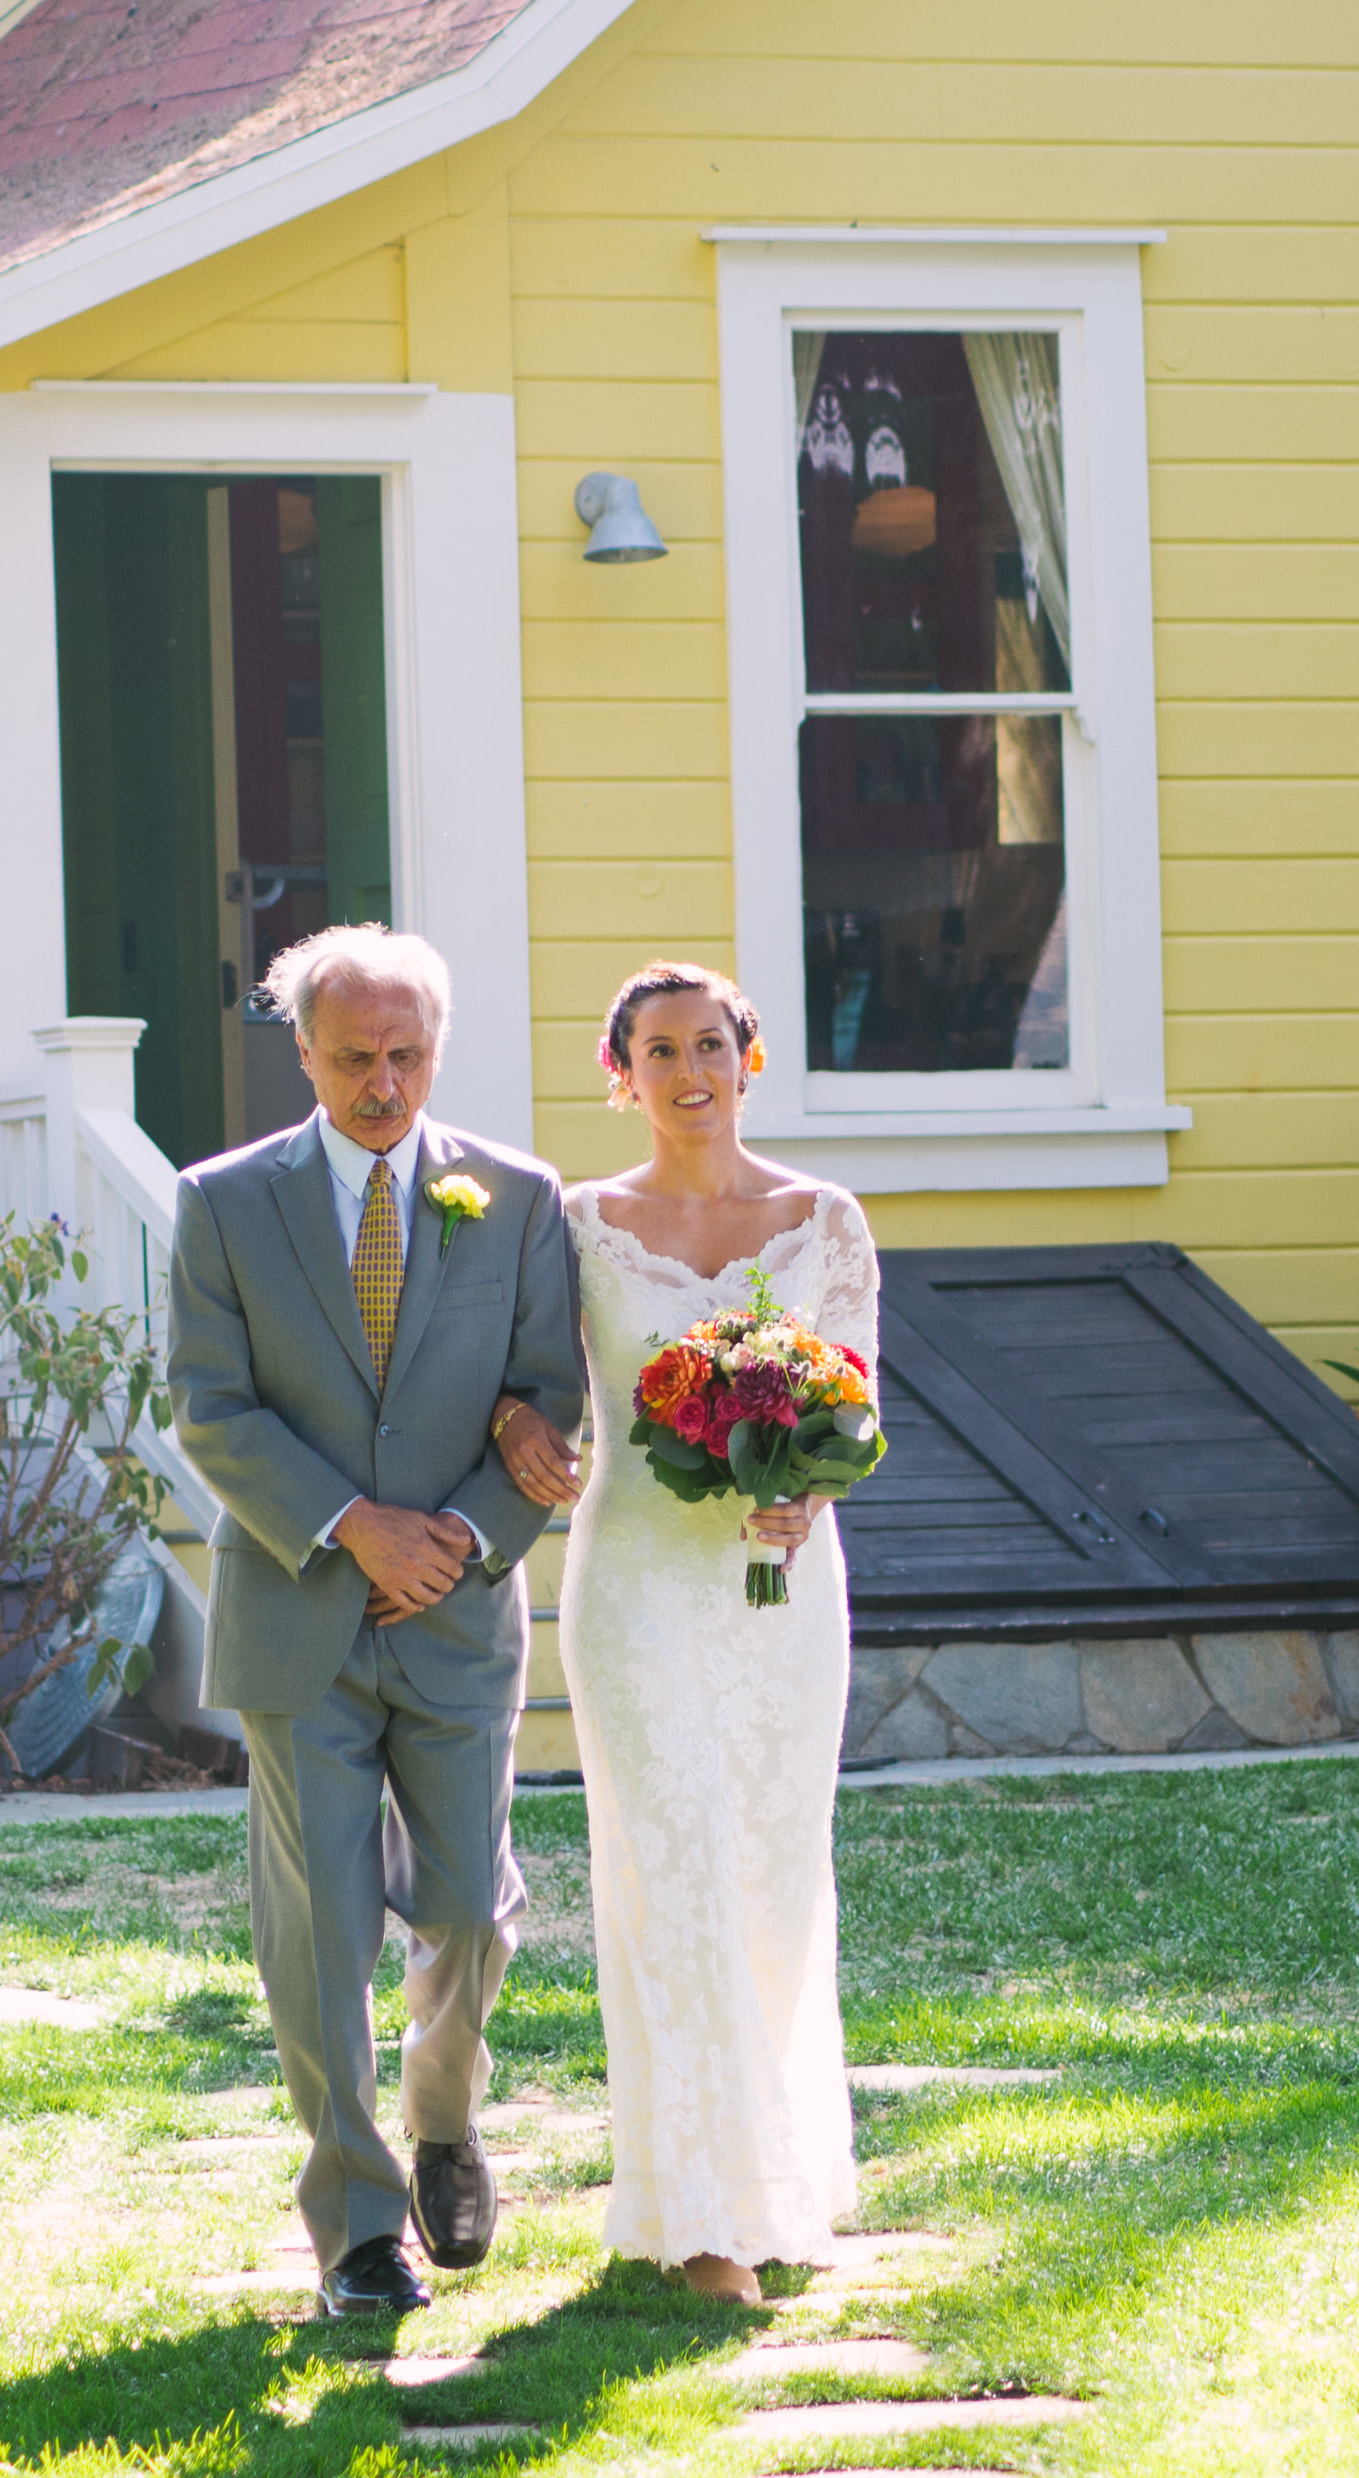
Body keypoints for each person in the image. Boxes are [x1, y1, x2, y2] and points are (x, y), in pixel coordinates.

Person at [165, 927, 588, 2318]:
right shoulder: (224, 1204)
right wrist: (355, 1526)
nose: (385, 1084)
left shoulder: (517, 1199)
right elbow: (211, 1409)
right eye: (356, 1057)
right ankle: (356, 2223)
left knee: (467, 1906)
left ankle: (444, 2119)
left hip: (461, 1616)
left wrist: (460, 1536)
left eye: (409, 1055)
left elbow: (547, 1402)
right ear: (303, 1049)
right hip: (301, 1615)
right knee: (320, 1929)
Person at [484, 963, 871, 2303]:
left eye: (713, 1044)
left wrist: (806, 1486)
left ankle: (779, 2172)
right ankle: (701, 2216)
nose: (690, 1070)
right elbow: (522, 1384)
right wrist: (516, 1429)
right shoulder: (575, 1224)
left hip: (781, 1598)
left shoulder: (824, 1219)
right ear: (622, 1072)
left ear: (750, 1060)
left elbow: (859, 1405)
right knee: (675, 1870)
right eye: (661, 1049)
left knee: (769, 1871)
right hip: (637, 1587)